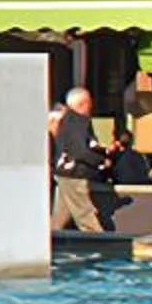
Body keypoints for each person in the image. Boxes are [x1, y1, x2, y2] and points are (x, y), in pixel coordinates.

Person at [51, 86, 108, 234]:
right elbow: (80, 151)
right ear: (83, 103)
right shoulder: (79, 122)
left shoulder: (66, 120)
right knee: (85, 215)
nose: (91, 106)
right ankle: (99, 242)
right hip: (75, 173)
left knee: (59, 217)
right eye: (89, 102)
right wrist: (99, 160)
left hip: (63, 172)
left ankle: (49, 239)